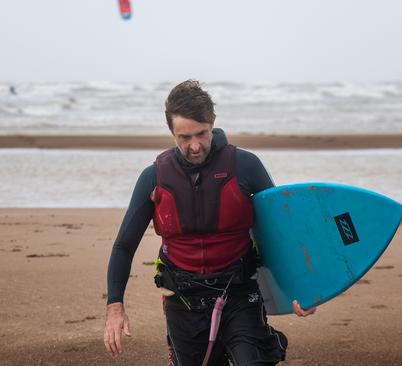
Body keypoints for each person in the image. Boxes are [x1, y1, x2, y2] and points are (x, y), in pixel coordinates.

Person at [104, 80, 315, 366]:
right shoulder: (154, 177)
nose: (194, 146)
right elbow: (124, 246)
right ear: (171, 132)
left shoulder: (246, 166)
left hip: (239, 292)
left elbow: (280, 233)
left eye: (201, 134)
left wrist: (299, 289)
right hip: (183, 299)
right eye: (184, 137)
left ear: (212, 122)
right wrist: (115, 307)